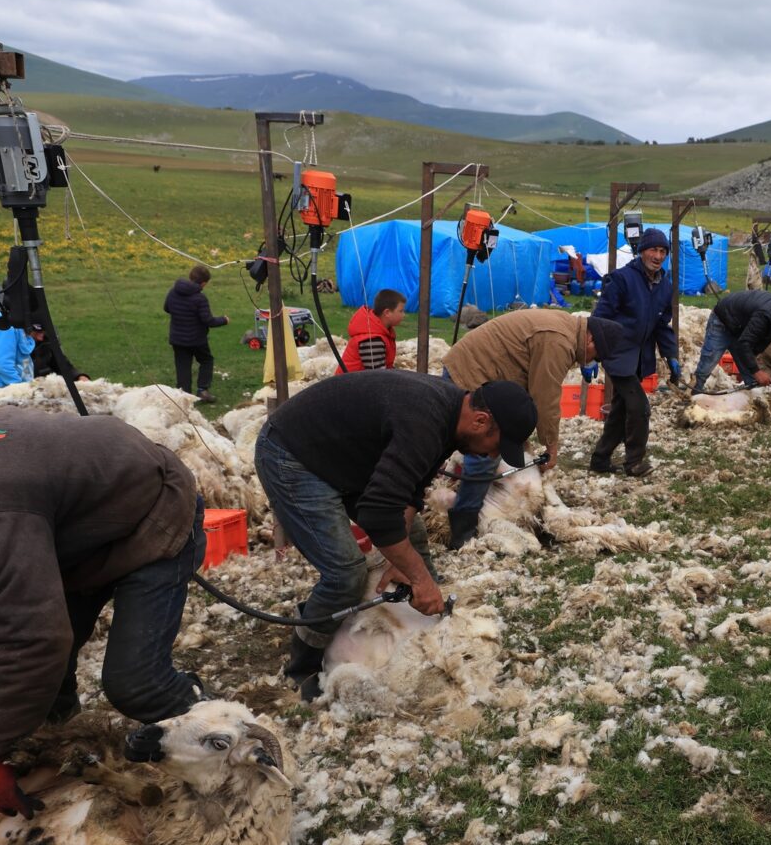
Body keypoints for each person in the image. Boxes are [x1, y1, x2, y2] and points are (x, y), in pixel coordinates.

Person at [0, 406, 207, 819]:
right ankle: (71, 766)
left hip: (152, 514)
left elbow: (34, 640)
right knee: (42, 694)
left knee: (136, 682)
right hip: (69, 521)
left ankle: (226, 735)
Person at [253, 371, 536, 699]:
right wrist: (419, 578)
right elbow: (377, 513)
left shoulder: (449, 415)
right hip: (292, 456)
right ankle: (303, 668)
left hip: (340, 455)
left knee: (411, 533)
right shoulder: (425, 420)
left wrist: (408, 563)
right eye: (496, 446)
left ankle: (423, 635)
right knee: (345, 573)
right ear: (481, 420)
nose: (491, 456)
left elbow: (411, 490)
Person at [440, 311, 620, 548]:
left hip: (487, 376)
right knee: (483, 453)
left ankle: (458, 504)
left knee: (483, 446)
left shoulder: (564, 332)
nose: (591, 361)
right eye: (596, 355)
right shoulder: (558, 341)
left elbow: (528, 389)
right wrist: (551, 445)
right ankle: (463, 530)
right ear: (590, 340)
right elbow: (544, 397)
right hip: (471, 374)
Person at [589, 227, 680, 477]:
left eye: (663, 251)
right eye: (653, 249)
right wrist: (591, 354)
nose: (658, 256)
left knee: (620, 409)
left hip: (640, 358)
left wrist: (671, 355)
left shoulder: (665, 286)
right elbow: (600, 317)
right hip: (618, 355)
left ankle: (600, 459)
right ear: (642, 252)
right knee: (640, 408)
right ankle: (634, 462)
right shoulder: (621, 279)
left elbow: (662, 324)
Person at [690, 290, 771, 394]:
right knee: (709, 360)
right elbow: (744, 343)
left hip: (742, 326)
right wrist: (757, 371)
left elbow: (761, 339)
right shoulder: (767, 315)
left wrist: (754, 364)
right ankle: (694, 392)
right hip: (723, 319)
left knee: (751, 374)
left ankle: (753, 400)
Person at [164, 264, 228, 403]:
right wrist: (224, 320)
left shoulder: (173, 291)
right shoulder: (200, 298)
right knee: (206, 360)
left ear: (190, 276)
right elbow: (208, 320)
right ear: (203, 283)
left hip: (177, 338)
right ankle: (202, 390)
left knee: (183, 367)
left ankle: (183, 398)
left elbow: (167, 308)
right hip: (196, 339)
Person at [337, 289, 406, 373]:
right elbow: (377, 376)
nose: (403, 315)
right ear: (387, 313)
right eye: (401, 311)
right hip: (350, 385)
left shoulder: (380, 333)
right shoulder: (372, 340)